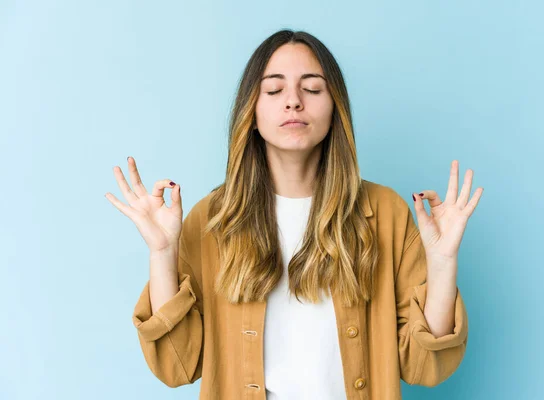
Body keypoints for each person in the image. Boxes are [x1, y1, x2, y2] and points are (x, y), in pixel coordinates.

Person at [105, 29, 482, 400]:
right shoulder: (212, 219)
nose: (293, 102)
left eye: (313, 89)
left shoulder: (385, 212)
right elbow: (176, 367)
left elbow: (425, 367)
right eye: (273, 90)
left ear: (336, 110)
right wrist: (162, 253)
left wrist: (443, 261)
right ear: (251, 113)